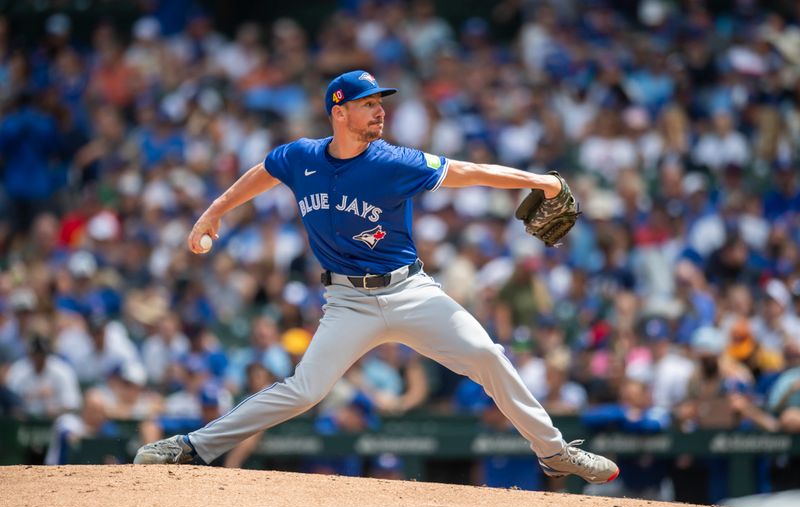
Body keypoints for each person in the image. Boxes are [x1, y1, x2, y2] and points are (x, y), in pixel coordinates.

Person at [133, 70, 619, 484]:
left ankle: (554, 453)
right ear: (338, 112)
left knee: (486, 356)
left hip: (411, 290)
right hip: (348, 303)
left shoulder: (393, 161)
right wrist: (216, 209)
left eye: (380, 103)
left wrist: (541, 181)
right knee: (305, 389)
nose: (379, 111)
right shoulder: (300, 156)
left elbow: (467, 171)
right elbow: (264, 169)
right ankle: (193, 447)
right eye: (367, 104)